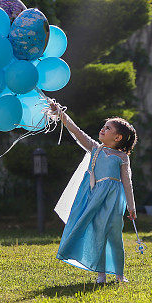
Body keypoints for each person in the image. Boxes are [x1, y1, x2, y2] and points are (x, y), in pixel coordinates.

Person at [49, 101, 137, 284]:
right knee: (98, 234)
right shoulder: (95, 149)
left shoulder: (122, 158)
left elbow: (127, 183)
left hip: (113, 201)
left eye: (108, 128)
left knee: (114, 235)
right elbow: (76, 131)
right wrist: (60, 114)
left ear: (118, 137)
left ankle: (119, 274)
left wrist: (131, 206)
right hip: (95, 198)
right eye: (104, 127)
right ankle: (101, 273)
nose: (103, 130)